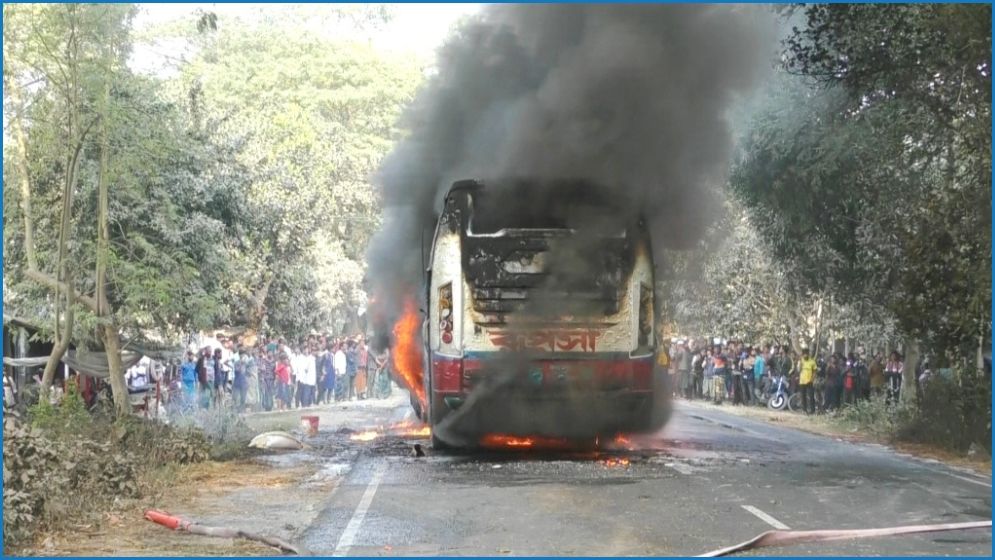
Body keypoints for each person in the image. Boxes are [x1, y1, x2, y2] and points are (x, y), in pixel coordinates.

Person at [798, 349, 817, 414]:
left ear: (808, 354)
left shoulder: (812, 361)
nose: (805, 355)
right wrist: (800, 362)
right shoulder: (801, 361)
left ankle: (812, 410)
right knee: (803, 396)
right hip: (802, 381)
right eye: (804, 354)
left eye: (806, 354)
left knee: (811, 396)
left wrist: (812, 379)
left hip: (809, 381)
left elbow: (814, 371)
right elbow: (799, 370)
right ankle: (804, 410)